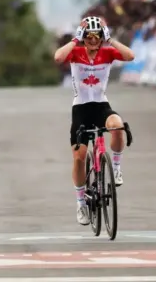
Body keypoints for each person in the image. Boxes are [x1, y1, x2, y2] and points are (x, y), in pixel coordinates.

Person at [53, 16, 135, 226]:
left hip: (100, 105)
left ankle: (116, 168)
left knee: (117, 126)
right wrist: (74, 40)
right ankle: (81, 202)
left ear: (101, 37)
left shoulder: (107, 52)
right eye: (88, 36)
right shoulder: (76, 52)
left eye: (96, 36)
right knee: (79, 157)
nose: (92, 40)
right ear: (83, 37)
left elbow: (130, 55)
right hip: (80, 108)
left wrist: (111, 39)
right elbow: (57, 57)